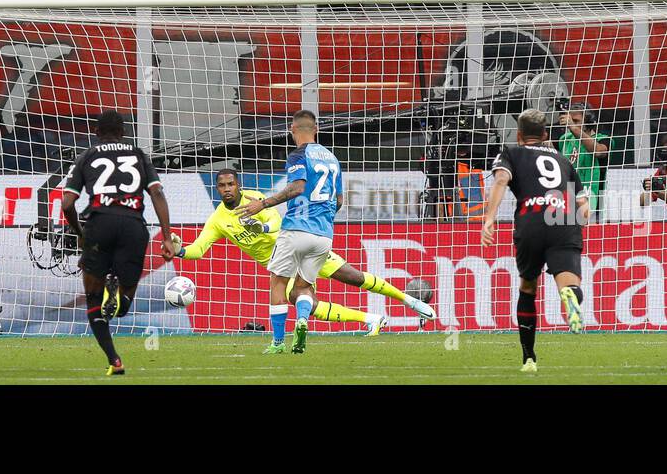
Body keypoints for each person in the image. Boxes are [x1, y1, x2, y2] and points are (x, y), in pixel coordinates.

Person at [173, 167, 434, 334]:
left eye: (231, 184)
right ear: (217, 189)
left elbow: (275, 222)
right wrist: (180, 250)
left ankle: (409, 300)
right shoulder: (218, 219)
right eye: (222, 186)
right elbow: (199, 248)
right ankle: (371, 318)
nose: (227, 189)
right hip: (281, 268)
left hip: (298, 249)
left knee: (354, 277)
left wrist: (260, 229)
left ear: (238, 185)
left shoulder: (255, 200)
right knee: (307, 306)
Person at [61, 110, 177, 377]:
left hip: (99, 225)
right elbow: (157, 192)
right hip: (133, 226)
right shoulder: (138, 154)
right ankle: (122, 298)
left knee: (92, 298)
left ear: (96, 133)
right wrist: (167, 236)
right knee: (124, 304)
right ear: (124, 132)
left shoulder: (87, 156)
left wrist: (80, 232)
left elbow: (67, 203)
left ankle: (115, 360)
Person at [481, 108, 588, 373]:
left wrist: (489, 218)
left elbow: (501, 180)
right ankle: (568, 297)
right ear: (545, 134)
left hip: (531, 219)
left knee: (528, 288)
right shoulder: (564, 161)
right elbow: (584, 206)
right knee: (569, 282)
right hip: (563, 220)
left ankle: (529, 358)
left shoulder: (512, 153)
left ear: (519, 135)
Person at [232, 109, 342, 355]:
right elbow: (339, 200)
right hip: (324, 235)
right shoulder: (332, 159)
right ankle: (302, 320)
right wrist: (322, 219)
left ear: (292, 130)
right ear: (317, 130)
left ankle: (278, 343)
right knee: (303, 289)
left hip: (295, 229)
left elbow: (297, 187)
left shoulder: (297, 155)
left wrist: (264, 203)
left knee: (278, 283)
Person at [557, 103, 611, 221]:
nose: (571, 124)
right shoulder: (564, 139)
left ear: (589, 122)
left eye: (576, 121)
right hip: (567, 198)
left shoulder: (603, 139)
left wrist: (573, 127)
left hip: (592, 199)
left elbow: (598, 151)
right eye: (571, 120)